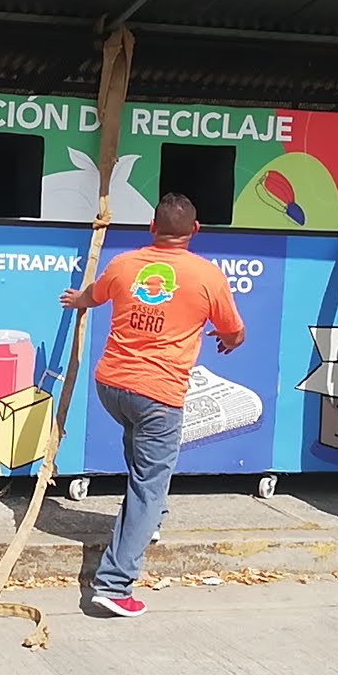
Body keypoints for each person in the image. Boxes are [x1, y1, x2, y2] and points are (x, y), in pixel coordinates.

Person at [59, 194, 245, 619]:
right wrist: (229, 341)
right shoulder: (207, 276)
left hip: (112, 387)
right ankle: (114, 584)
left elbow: (94, 295)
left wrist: (77, 300)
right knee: (148, 483)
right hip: (158, 394)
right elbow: (234, 331)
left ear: (151, 227)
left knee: (141, 461)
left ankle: (148, 524)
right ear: (195, 231)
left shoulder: (124, 265)